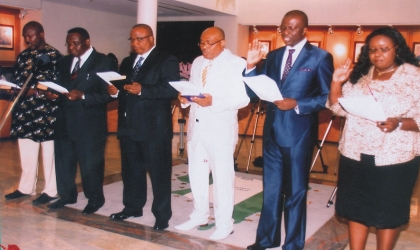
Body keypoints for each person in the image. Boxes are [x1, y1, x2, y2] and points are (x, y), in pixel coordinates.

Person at [245, 10, 333, 250]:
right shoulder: (273, 57)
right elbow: (254, 92)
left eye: (293, 28)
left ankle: (293, 244)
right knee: (271, 190)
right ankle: (266, 239)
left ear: (305, 29)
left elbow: (328, 98)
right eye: (283, 27)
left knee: (295, 192)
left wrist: (298, 104)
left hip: (299, 135)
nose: (286, 32)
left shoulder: (320, 57)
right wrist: (251, 67)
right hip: (272, 132)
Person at [327, 27, 420, 250]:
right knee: (356, 210)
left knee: (387, 213)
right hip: (354, 153)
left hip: (393, 159)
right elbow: (338, 109)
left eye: (383, 49)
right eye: (372, 50)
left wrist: (398, 122)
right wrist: (336, 82)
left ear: (397, 49)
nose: (377, 55)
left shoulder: (413, 76)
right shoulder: (361, 74)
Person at [174, 27, 249, 241]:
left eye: (210, 43)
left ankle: (225, 224)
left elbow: (243, 99)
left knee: (222, 178)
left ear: (223, 43)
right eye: (202, 43)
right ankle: (200, 216)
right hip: (197, 128)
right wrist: (185, 98)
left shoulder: (236, 64)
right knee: (197, 175)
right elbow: (196, 89)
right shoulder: (198, 62)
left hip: (220, 130)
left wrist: (214, 101)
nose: (205, 47)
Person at [107, 24, 179, 231]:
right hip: (129, 125)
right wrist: (114, 90)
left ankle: (162, 215)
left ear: (151, 38)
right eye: (132, 39)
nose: (136, 43)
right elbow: (123, 89)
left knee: (159, 174)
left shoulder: (166, 59)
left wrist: (143, 90)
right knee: (131, 171)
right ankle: (132, 207)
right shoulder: (128, 61)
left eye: (140, 39)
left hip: (154, 128)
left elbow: (171, 89)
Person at [47, 27, 116, 214]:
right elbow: (61, 86)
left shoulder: (104, 61)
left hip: (89, 124)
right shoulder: (65, 61)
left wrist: (84, 96)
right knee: (64, 163)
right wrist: (54, 94)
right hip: (64, 122)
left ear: (87, 42)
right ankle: (67, 195)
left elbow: (110, 94)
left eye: (75, 43)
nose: (71, 47)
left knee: (90, 165)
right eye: (68, 43)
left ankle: (95, 199)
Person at [3, 21, 63, 205]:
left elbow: (56, 85)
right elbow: (20, 79)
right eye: (25, 36)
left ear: (42, 34)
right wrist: (12, 89)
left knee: (49, 154)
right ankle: (26, 187)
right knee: (27, 151)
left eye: (32, 35)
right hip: (25, 112)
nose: (28, 39)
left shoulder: (54, 56)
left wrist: (36, 91)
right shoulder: (23, 56)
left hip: (47, 112)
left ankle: (51, 190)